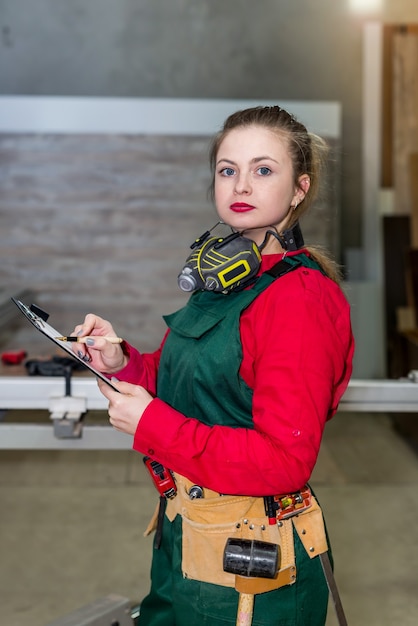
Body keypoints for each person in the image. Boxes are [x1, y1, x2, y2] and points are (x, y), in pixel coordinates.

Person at [71, 105, 354, 626]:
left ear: (299, 189)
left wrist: (151, 423)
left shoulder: (297, 299)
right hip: (187, 530)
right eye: (228, 170)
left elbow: (285, 461)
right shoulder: (229, 278)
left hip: (252, 562)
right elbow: (192, 382)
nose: (240, 184)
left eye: (263, 169)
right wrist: (122, 362)